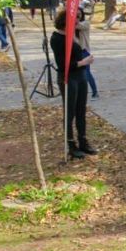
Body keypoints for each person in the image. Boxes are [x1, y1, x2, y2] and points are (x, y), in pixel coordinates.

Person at [50, 9, 97, 159]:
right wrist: (84, 61)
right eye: (74, 19)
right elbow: (63, 65)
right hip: (68, 77)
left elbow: (80, 48)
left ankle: (83, 141)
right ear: (65, 22)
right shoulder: (57, 38)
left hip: (81, 76)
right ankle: (71, 144)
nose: (77, 21)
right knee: (69, 112)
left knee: (81, 110)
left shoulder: (72, 35)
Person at [75, 8, 98, 99]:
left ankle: (95, 92)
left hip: (84, 51)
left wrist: (73, 19)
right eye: (75, 14)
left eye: (79, 14)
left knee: (86, 73)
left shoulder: (85, 23)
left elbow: (78, 26)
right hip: (74, 51)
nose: (77, 16)